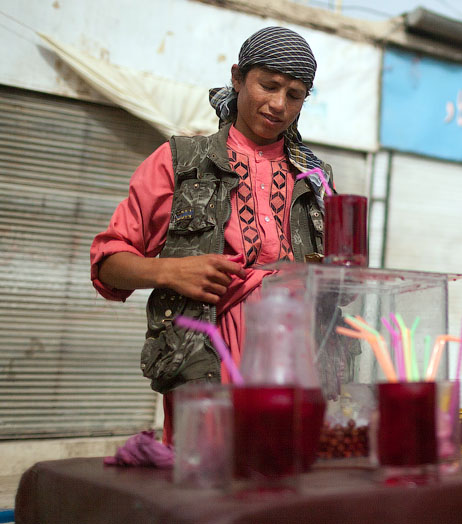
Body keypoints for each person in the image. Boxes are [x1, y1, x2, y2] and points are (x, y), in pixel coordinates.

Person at [90, 26, 333, 444]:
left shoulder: (314, 178)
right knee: (207, 490)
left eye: (294, 95)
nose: (279, 104)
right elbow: (108, 264)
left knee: (290, 490)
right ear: (238, 78)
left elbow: (337, 279)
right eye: (268, 85)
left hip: (297, 363)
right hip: (205, 357)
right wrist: (171, 272)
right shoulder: (180, 161)